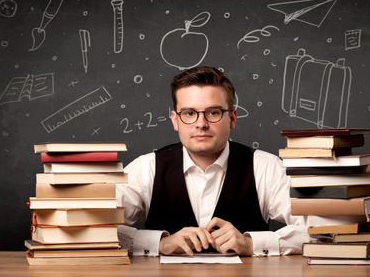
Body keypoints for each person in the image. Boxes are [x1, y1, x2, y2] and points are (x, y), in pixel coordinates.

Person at [116, 66, 310, 256]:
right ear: (175, 120)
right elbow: (91, 230)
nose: (201, 124)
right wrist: (159, 242)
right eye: (189, 113)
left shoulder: (265, 167)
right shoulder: (146, 169)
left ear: (232, 118)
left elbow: (322, 230)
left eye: (213, 112)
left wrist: (252, 244)